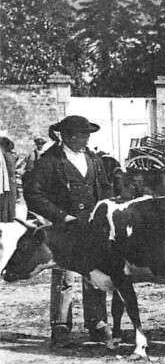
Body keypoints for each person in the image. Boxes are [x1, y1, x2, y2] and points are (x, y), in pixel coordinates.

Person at [23, 115, 112, 347]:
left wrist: (103, 213)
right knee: (64, 275)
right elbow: (33, 195)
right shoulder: (49, 161)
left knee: (93, 273)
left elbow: (103, 189)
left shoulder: (93, 159)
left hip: (91, 227)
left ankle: (97, 321)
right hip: (63, 228)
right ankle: (61, 324)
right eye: (83, 134)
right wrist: (62, 216)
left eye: (88, 134)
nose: (87, 138)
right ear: (68, 136)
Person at [0, 137, 18, 222]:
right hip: (9, 178)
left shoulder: (6, 155)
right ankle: (9, 217)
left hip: (8, 178)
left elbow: (10, 168)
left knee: (7, 199)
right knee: (9, 199)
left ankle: (7, 217)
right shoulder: (9, 155)